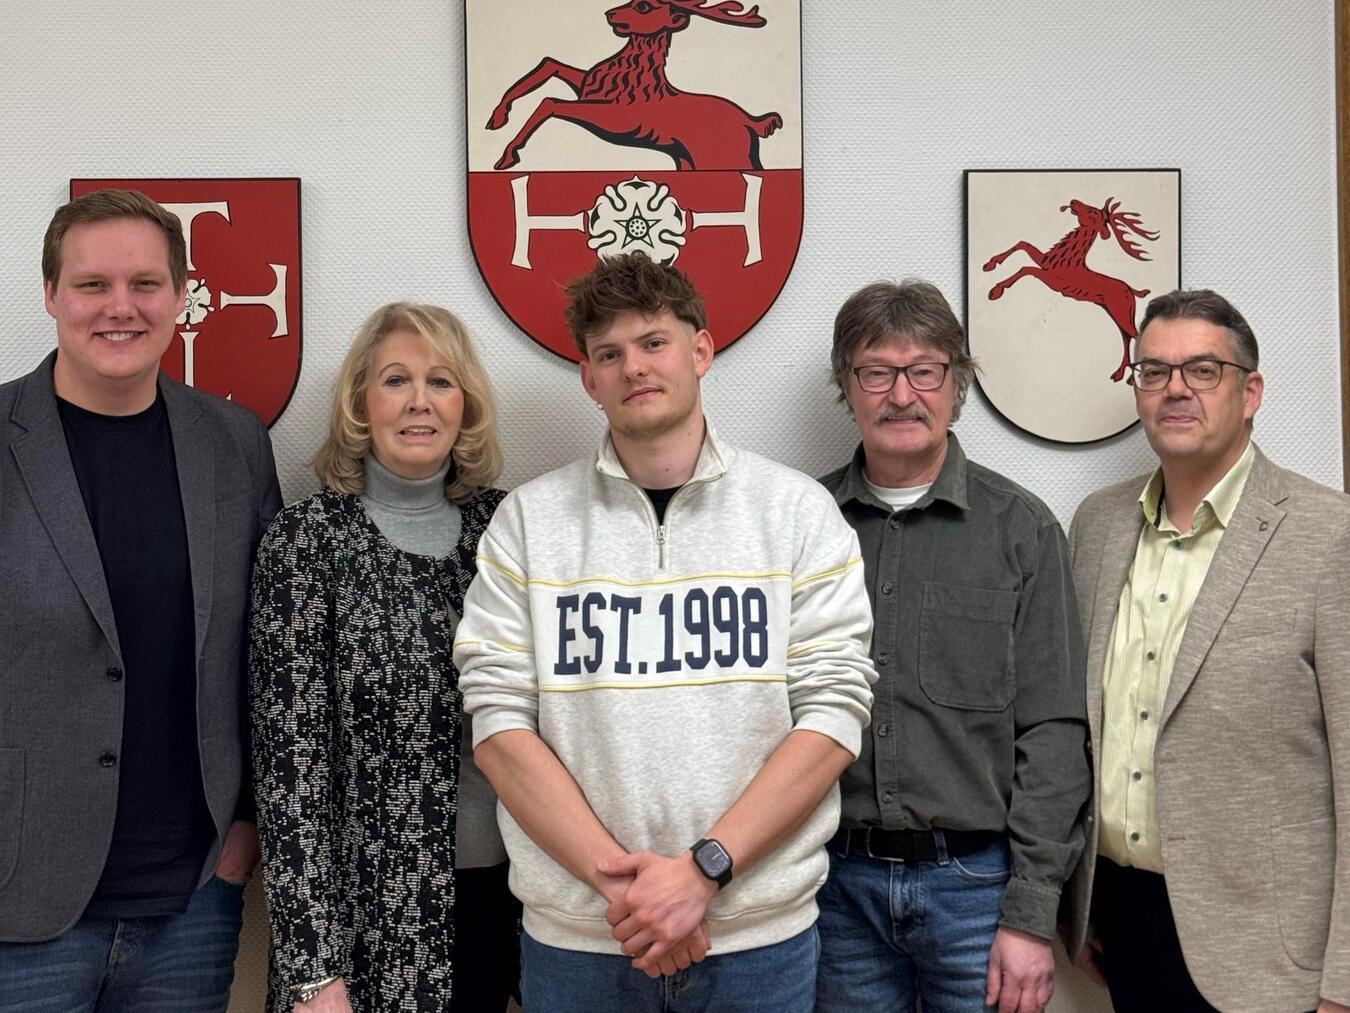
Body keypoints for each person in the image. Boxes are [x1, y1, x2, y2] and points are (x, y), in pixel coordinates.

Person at [453, 253, 877, 1012]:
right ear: (588, 378)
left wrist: (704, 871)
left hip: (756, 941)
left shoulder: (796, 512)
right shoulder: (529, 523)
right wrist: (633, 893)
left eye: (654, 342)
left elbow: (834, 714)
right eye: (609, 354)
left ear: (701, 350)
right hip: (581, 944)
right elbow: (499, 723)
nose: (634, 367)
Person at [0, 189, 281, 1009]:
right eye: (92, 284)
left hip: (191, 900)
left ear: (182, 295)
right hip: (20, 904)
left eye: (145, 284)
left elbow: (264, 650)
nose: (119, 307)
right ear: (50, 294)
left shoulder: (235, 442)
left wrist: (245, 824)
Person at [1064, 289, 1350, 1012]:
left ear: (1250, 392)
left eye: (1202, 369)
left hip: (1271, 951)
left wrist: (1343, 983)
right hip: (1126, 921)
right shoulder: (1098, 527)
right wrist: (1083, 905)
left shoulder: (1329, 534)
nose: (1175, 389)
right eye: (1154, 371)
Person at [813, 280, 1089, 1013]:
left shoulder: (1022, 529)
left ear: (957, 383)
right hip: (834, 890)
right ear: (847, 385)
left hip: (979, 891)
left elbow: (1054, 731)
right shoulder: (802, 524)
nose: (902, 395)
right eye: (877, 371)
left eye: (925, 370)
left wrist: (1031, 913)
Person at [249, 303, 518, 1012]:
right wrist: (313, 970)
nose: (419, 401)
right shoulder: (308, 540)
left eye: (441, 381)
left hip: (502, 900)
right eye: (397, 380)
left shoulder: (509, 528)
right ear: (361, 402)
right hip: (361, 916)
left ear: (465, 404)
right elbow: (288, 772)